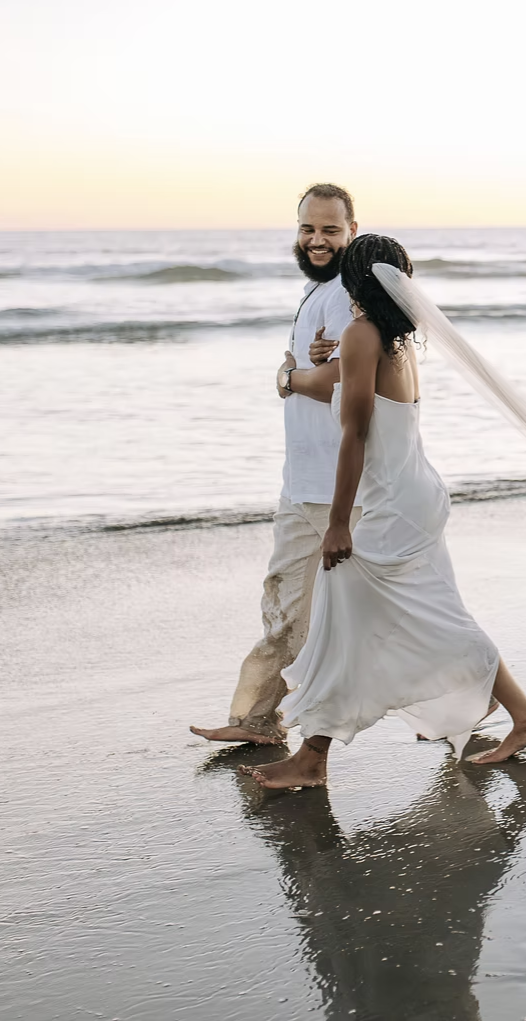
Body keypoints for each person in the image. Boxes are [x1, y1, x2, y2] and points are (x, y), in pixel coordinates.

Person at [241, 235, 526, 789]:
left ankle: (313, 760)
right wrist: (305, 371)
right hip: (418, 495)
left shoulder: (363, 335)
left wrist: (338, 523)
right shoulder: (398, 340)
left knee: (348, 619)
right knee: (433, 618)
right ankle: (525, 718)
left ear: (355, 282)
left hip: (393, 505)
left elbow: (355, 433)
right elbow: (335, 384)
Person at [190, 184, 360, 746]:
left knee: (383, 611)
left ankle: (474, 697)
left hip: (337, 488)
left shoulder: (342, 294)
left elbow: (349, 381)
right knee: (284, 600)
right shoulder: (318, 291)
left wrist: (288, 379)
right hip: (302, 483)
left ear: (351, 232)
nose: (317, 240)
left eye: (330, 230)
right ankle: (258, 719)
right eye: (308, 229)